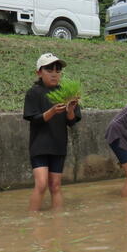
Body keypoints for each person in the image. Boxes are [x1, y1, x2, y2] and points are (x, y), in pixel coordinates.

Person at [23, 53, 81, 211]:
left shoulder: (67, 92)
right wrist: (53, 111)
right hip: (39, 146)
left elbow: (72, 121)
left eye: (58, 69)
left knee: (55, 186)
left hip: (58, 145)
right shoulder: (33, 92)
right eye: (49, 69)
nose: (54, 73)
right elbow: (33, 118)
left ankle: (57, 221)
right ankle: (33, 219)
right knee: (41, 185)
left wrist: (70, 110)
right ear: (39, 72)